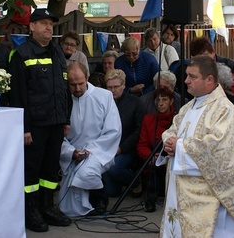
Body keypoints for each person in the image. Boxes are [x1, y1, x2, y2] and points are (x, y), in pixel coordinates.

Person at [158, 55, 234, 237]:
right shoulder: (188, 107)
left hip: (210, 194)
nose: (185, 81)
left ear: (209, 79)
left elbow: (218, 149)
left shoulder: (224, 110)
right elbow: (172, 130)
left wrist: (179, 146)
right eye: (186, 75)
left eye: (192, 76)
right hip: (181, 188)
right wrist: (169, 143)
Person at [6, 7, 71, 233]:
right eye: (43, 23)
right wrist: (24, 128)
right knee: (31, 172)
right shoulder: (21, 54)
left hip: (55, 123)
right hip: (35, 125)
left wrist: (65, 119)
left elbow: (64, 89)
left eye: (51, 24)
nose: (48, 27)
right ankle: (30, 211)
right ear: (31, 27)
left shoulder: (58, 53)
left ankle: (47, 207)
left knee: (51, 170)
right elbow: (18, 95)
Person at [59, 62, 122, 216]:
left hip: (98, 151)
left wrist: (91, 151)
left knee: (86, 173)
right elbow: (56, 135)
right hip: (72, 154)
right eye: (73, 85)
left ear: (87, 77)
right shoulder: (61, 100)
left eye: (80, 83)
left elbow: (113, 130)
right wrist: (71, 152)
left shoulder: (104, 96)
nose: (78, 89)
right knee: (66, 207)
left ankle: (100, 197)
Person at [102, 69, 144, 200]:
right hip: (107, 148)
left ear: (124, 85)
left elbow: (138, 130)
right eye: (109, 87)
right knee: (111, 192)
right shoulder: (103, 103)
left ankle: (136, 180)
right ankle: (122, 181)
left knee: (113, 169)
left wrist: (121, 148)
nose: (113, 90)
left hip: (128, 148)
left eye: (116, 87)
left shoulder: (135, 103)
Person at [137, 87, 176, 213]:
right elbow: (142, 144)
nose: (161, 103)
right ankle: (150, 201)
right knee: (152, 168)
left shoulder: (177, 120)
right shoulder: (148, 119)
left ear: (171, 101)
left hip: (170, 156)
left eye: (164, 100)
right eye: (158, 100)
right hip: (153, 157)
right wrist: (150, 156)